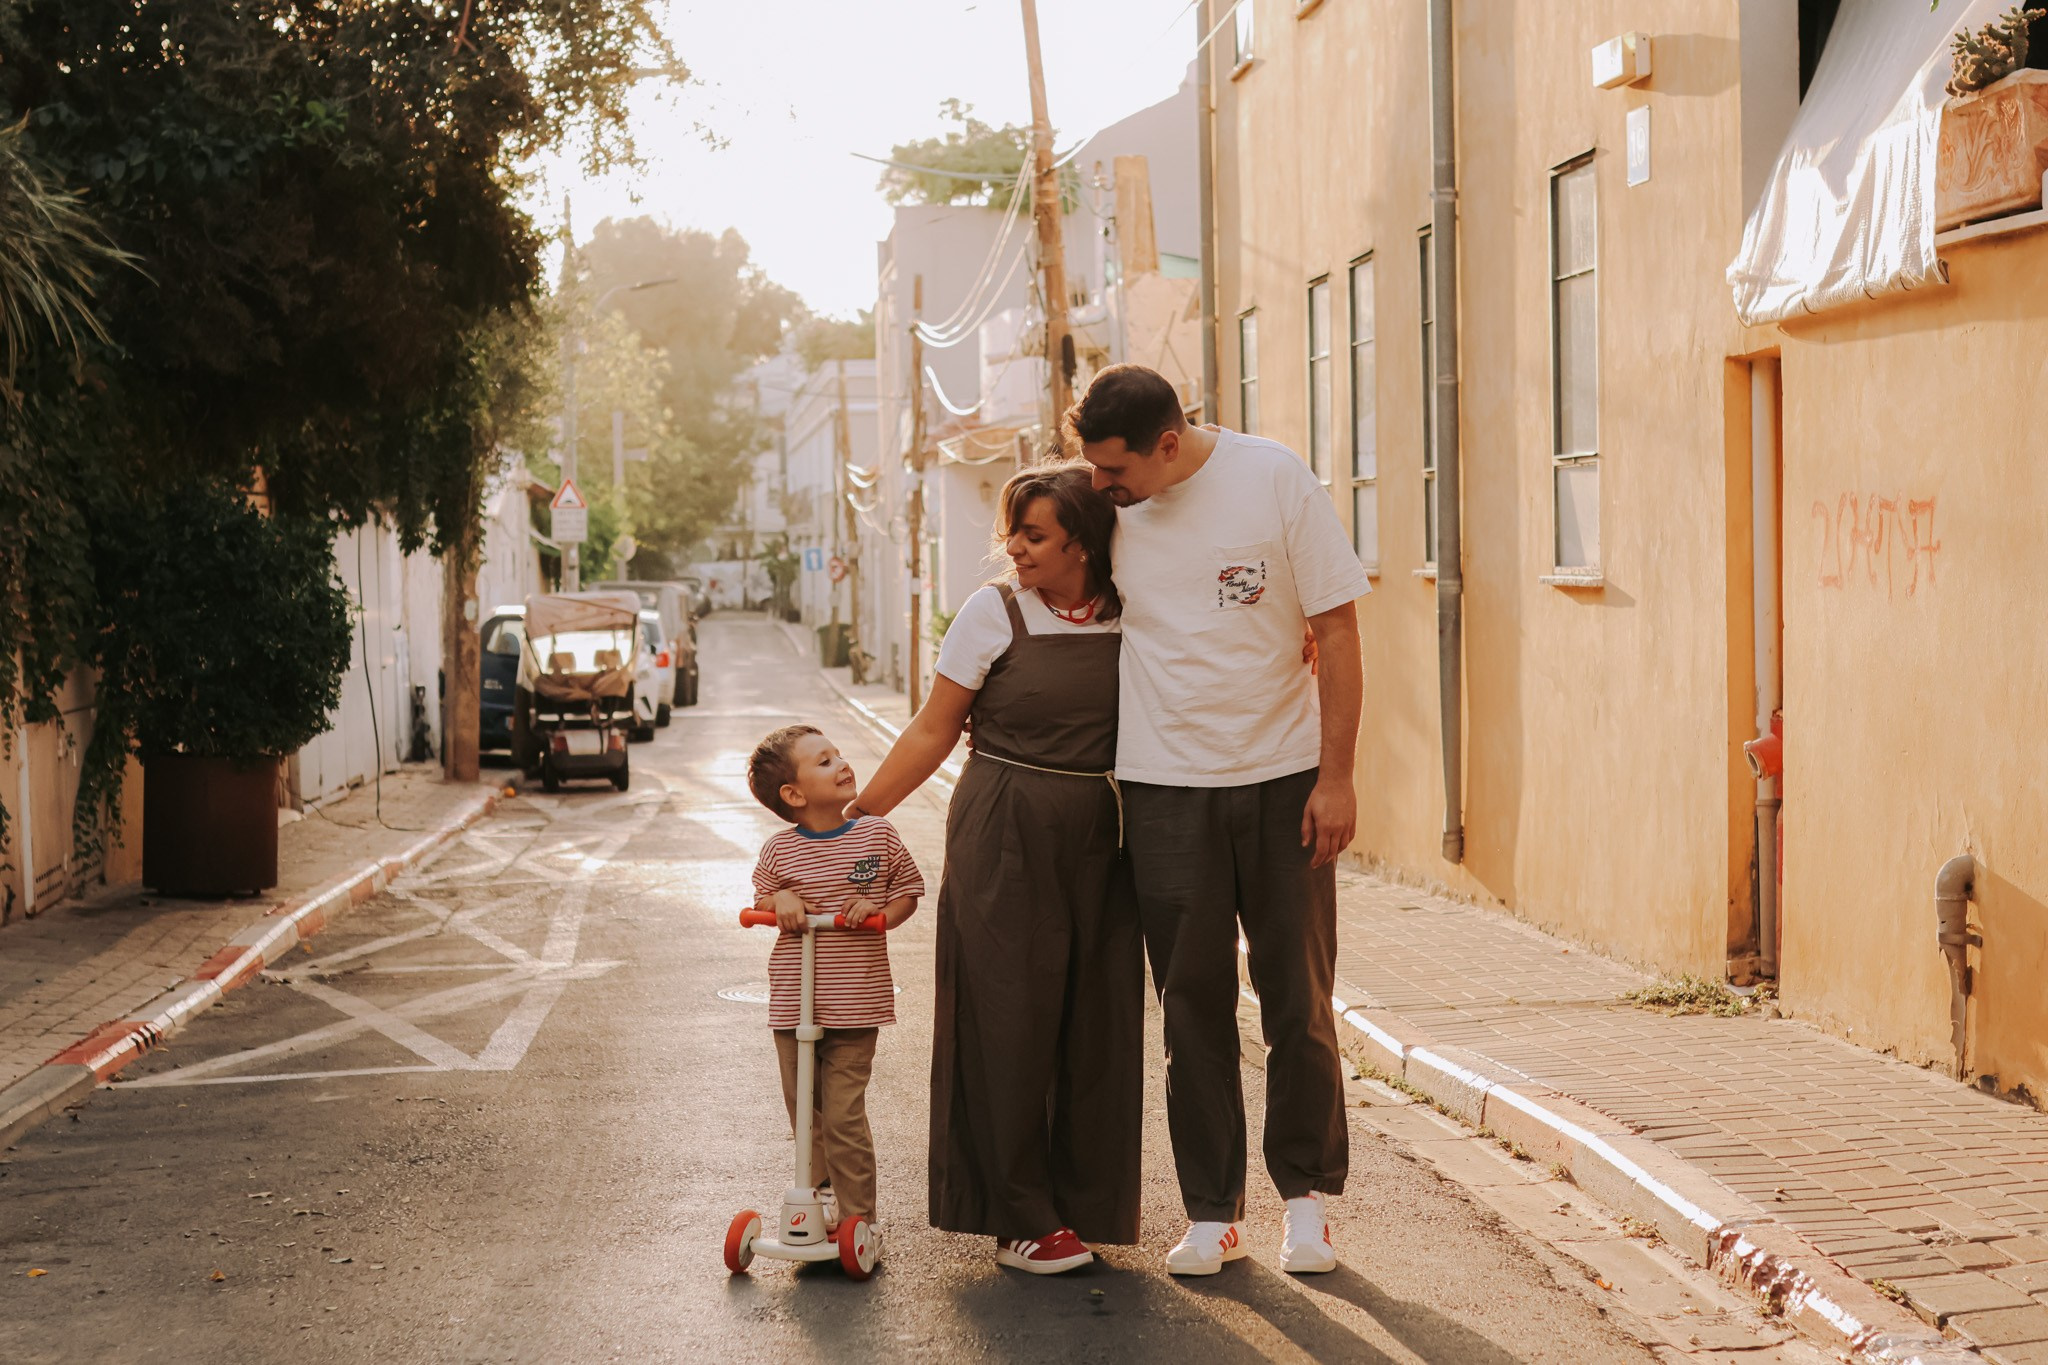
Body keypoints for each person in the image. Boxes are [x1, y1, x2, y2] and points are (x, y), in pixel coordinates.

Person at [1068, 363, 1371, 1277]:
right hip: (1163, 787)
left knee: (1297, 999)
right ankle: (1211, 1210)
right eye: (1090, 467)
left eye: (1115, 469)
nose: (1100, 486)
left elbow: (1342, 629)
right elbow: (1039, 563)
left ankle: (1307, 1203)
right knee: (1190, 1005)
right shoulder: (1103, 508)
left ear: (1170, 442)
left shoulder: (1273, 477)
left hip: (1283, 781)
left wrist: (1338, 777)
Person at [847, 463, 1140, 1276]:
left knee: (1096, 1020)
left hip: (1104, 833)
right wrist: (861, 813)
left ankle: (1081, 1203)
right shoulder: (993, 611)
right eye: (1011, 531)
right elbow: (934, 728)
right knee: (1008, 1017)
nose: (1014, 547)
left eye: (1034, 534)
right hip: (1005, 823)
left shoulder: (1132, 610)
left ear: (1082, 542)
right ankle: (1017, 1216)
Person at [746, 724, 924, 1246]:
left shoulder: (877, 834)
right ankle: (818, 1194)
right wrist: (779, 902)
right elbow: (761, 899)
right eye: (824, 761)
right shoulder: (779, 851)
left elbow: (908, 891)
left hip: (856, 1005)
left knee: (843, 1115)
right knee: (806, 1112)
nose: (842, 763)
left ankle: (859, 1219)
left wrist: (880, 912)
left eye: (838, 754)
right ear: (794, 795)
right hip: (794, 1008)